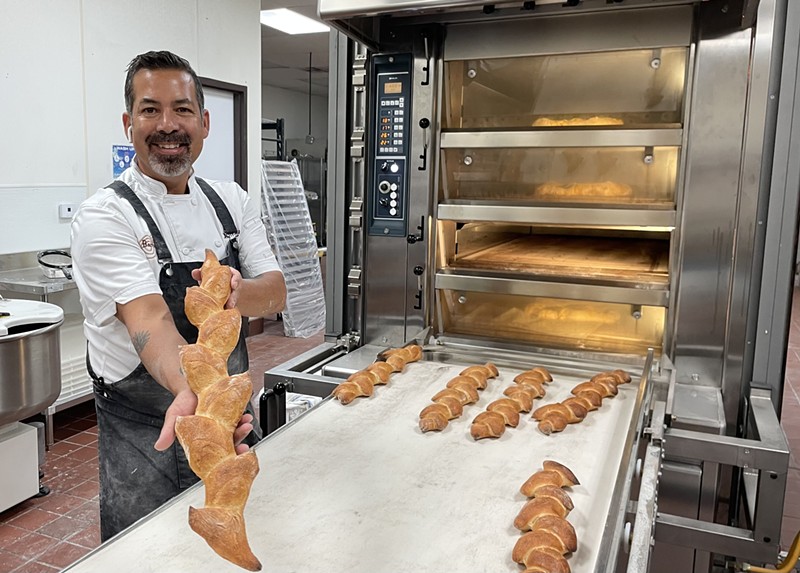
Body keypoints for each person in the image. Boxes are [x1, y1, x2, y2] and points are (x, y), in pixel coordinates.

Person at [70, 50, 287, 541]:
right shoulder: (106, 215)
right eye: (150, 110)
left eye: (182, 109)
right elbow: (150, 321)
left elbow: (275, 293)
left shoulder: (231, 201)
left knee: (228, 534)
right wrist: (196, 394)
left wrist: (236, 291)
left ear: (204, 122)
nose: (167, 124)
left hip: (227, 418)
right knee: (149, 550)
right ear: (129, 123)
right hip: (148, 431)